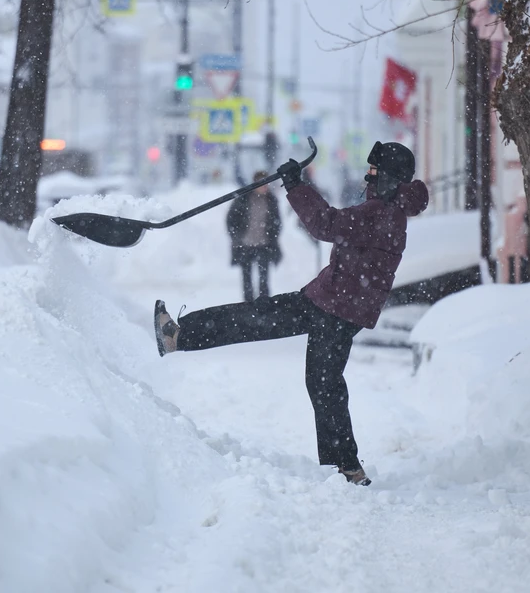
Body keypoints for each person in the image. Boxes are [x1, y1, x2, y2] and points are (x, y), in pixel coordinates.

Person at [154, 141, 429, 486]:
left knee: (302, 363)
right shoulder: (387, 211)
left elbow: (325, 223)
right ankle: (343, 468)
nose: (367, 177)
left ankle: (345, 467)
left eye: (373, 171)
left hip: (337, 308)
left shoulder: (381, 213)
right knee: (318, 378)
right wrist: (299, 186)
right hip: (333, 303)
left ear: (388, 176)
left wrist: (296, 186)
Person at [225, 170, 282, 301]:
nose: (264, 187)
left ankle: (264, 303)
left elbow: (276, 222)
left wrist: (273, 237)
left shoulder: (271, 200)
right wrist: (236, 236)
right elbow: (231, 219)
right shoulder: (243, 199)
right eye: (262, 183)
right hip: (245, 244)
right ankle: (248, 304)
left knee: (264, 278)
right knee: (247, 278)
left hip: (264, 244)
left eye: (266, 184)